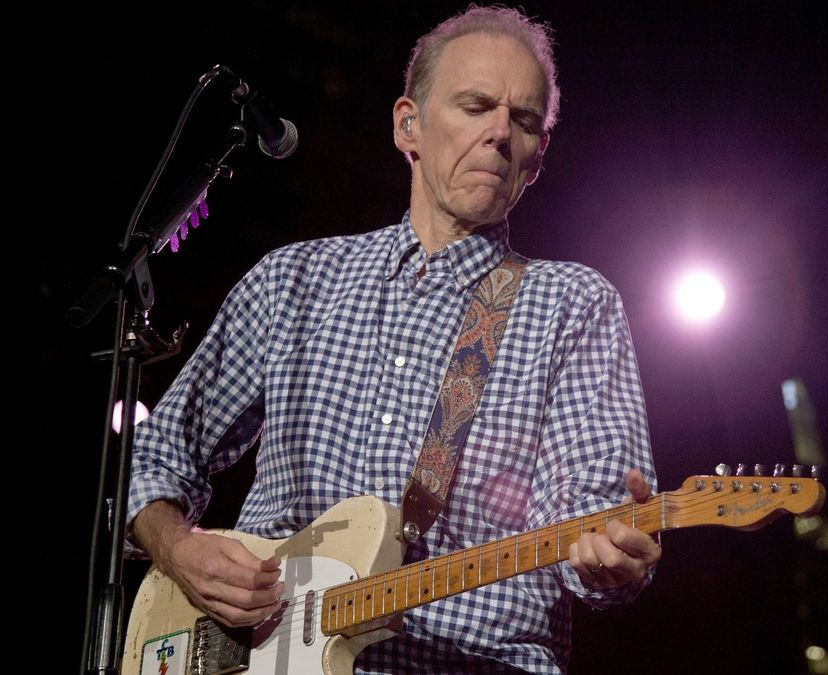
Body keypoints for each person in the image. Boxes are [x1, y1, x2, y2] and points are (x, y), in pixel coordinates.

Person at [127, 5, 660, 673]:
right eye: (476, 105)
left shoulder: (574, 306)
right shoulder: (293, 281)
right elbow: (153, 459)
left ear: (538, 158)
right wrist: (180, 550)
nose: (500, 132)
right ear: (408, 123)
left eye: (525, 121)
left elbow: (599, 525)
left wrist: (613, 557)